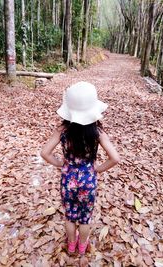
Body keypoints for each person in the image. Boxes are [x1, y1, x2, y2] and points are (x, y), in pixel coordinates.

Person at [41, 81, 120, 255]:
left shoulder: (62, 130)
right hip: (88, 180)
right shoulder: (97, 133)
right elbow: (115, 158)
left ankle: (71, 245)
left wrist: (61, 163)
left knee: (70, 216)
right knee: (85, 218)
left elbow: (45, 153)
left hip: (68, 179)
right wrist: (98, 169)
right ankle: (82, 246)